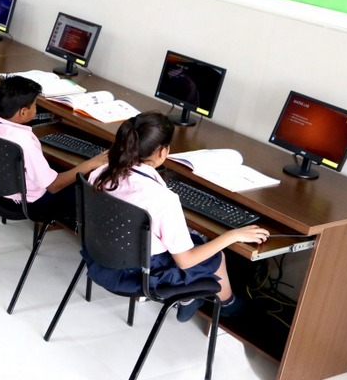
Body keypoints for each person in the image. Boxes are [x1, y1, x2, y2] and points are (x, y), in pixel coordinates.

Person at [88, 112, 269, 321]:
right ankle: (227, 306)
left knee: (191, 239)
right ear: (162, 152)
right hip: (140, 275)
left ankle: (190, 299)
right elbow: (185, 261)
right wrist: (232, 235)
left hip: (103, 259)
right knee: (216, 256)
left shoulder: (101, 173)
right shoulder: (162, 199)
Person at [0, 76, 107, 224]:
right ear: (23, 112)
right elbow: (53, 187)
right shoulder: (25, 142)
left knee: (60, 169)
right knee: (87, 188)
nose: (36, 108)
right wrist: (90, 164)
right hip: (29, 204)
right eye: (35, 105)